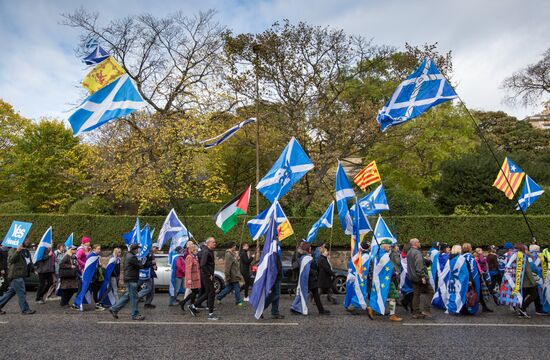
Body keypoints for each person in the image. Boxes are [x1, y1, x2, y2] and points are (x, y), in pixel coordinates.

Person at [109, 244, 152, 321]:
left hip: (129, 278)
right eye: (138, 249)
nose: (139, 250)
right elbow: (140, 265)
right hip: (131, 279)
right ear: (135, 249)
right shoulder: (131, 257)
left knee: (127, 296)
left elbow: (139, 264)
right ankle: (135, 314)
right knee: (134, 297)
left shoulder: (129, 255)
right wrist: (149, 261)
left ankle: (114, 309)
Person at [291, 243, 330, 316]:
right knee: (311, 294)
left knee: (313, 294)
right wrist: (314, 272)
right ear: (307, 249)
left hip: (310, 279)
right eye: (310, 248)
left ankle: (295, 307)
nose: (311, 249)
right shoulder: (306, 258)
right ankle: (295, 307)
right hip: (310, 279)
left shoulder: (306, 257)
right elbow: (307, 269)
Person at [0, 241, 36, 315]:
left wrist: (33, 269)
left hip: (21, 275)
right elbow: (11, 260)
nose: (27, 241)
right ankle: (25, 310)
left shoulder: (25, 251)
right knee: (21, 293)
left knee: (10, 293)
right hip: (15, 275)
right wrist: (17, 251)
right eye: (26, 240)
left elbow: (28, 262)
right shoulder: (13, 249)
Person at [190, 237, 218, 320]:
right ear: (208, 243)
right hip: (206, 275)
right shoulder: (206, 251)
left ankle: (193, 306)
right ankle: (210, 314)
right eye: (213, 242)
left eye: (215, 242)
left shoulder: (207, 251)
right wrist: (209, 274)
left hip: (206, 275)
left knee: (208, 293)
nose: (215, 244)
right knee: (211, 293)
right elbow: (202, 265)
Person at [407, 238, 434, 319]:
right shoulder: (417, 253)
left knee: (416, 294)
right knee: (430, 291)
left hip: (412, 276)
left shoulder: (409, 252)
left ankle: (415, 312)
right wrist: (423, 276)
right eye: (418, 242)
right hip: (419, 277)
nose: (420, 243)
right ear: (415, 243)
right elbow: (419, 266)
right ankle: (426, 309)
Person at [217, 241, 244, 306]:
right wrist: (227, 276)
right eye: (235, 246)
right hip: (232, 275)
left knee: (229, 288)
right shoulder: (228, 254)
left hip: (234, 274)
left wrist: (237, 259)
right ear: (232, 246)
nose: (236, 247)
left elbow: (234, 263)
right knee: (237, 288)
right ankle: (238, 301)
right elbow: (228, 266)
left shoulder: (232, 254)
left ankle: (219, 297)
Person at [182, 243, 201, 315]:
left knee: (194, 292)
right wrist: (189, 279)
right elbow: (188, 269)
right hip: (192, 279)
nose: (197, 251)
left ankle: (185, 303)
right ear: (192, 250)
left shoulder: (194, 257)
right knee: (194, 292)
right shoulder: (189, 257)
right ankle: (191, 307)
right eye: (195, 250)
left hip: (195, 278)